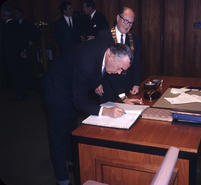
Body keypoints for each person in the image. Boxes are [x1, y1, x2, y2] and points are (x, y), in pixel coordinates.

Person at [44, 40, 141, 185]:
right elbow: (79, 101)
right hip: (57, 88)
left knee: (72, 126)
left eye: (123, 70)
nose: (120, 72)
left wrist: (124, 98)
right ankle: (62, 178)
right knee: (59, 133)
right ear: (110, 55)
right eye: (120, 68)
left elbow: (111, 76)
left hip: (74, 82)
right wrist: (105, 111)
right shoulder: (86, 61)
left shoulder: (110, 54)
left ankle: (71, 161)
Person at [96, 7, 142, 102]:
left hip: (128, 86)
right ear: (118, 18)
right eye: (125, 21)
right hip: (107, 86)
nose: (128, 25)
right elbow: (97, 62)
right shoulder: (104, 35)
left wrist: (136, 83)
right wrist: (96, 82)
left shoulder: (134, 39)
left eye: (131, 23)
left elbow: (137, 63)